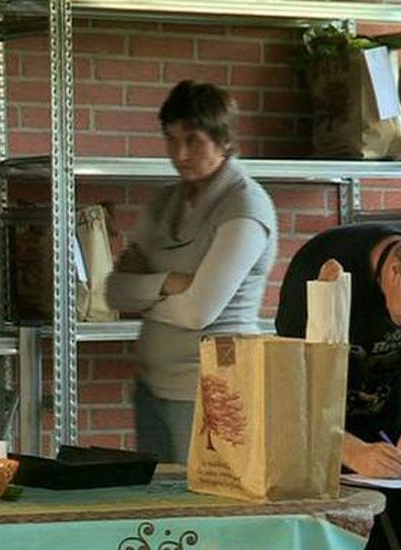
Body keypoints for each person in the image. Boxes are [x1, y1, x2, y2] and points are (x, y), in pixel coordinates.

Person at [105, 81, 276, 464]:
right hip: (153, 388)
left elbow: (200, 311)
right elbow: (115, 292)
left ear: (223, 139)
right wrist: (168, 283)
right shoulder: (166, 201)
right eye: (170, 140)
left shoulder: (245, 205)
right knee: (156, 514)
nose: (179, 153)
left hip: (212, 393)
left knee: (201, 517)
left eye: (193, 140)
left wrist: (146, 292)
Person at [275, 222, 401, 479]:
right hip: (320, 433)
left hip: (395, 433)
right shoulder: (319, 265)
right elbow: (289, 384)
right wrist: (352, 452)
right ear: (394, 272)